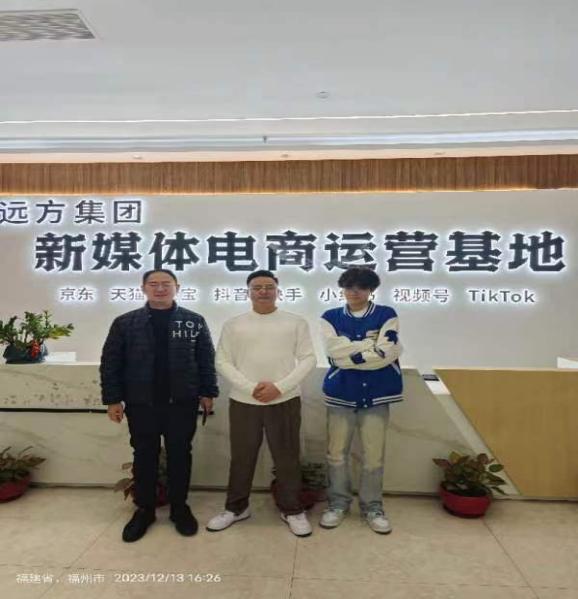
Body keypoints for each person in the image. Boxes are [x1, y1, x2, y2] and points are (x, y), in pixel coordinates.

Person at [100, 269, 218, 542]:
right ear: (143, 288)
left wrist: (208, 392)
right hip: (142, 404)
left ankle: (179, 508)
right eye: (154, 284)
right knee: (144, 456)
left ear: (177, 287)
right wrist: (113, 400)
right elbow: (111, 364)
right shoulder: (125, 323)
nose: (160, 288)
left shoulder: (193, 321)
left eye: (166, 284)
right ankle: (145, 510)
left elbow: (205, 360)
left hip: (182, 403)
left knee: (180, 455)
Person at [206, 270, 317, 537]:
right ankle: (236, 508)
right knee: (242, 457)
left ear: (278, 290)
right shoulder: (234, 324)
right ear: (249, 292)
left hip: (284, 399)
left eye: (269, 287)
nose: (263, 291)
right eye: (257, 287)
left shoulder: (295, 322)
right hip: (244, 401)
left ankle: (292, 509)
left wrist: (279, 387)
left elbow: (308, 358)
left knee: (287, 457)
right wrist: (250, 387)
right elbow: (222, 361)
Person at [319, 266, 403, 534]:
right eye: (349, 287)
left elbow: (388, 352)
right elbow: (333, 354)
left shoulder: (386, 314)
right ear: (342, 289)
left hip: (377, 394)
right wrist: (369, 346)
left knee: (374, 457)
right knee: (336, 454)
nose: (354, 292)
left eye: (361, 287)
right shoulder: (330, 317)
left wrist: (351, 353)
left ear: (371, 290)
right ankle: (337, 504)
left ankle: (372, 507)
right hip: (340, 393)